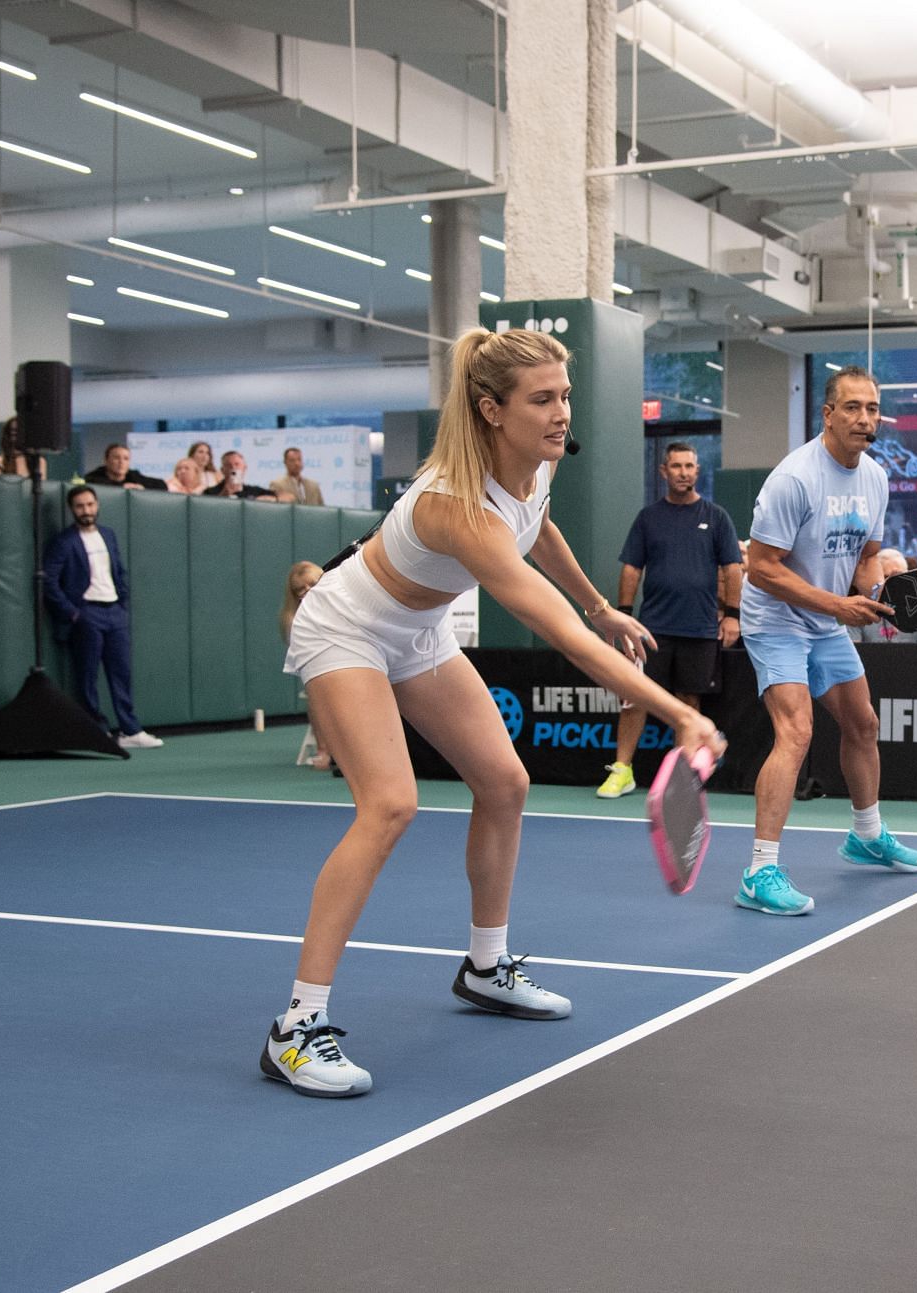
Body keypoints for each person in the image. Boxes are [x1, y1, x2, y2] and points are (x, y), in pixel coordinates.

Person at [268, 327, 725, 1098]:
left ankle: (486, 966)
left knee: (504, 783)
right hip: (346, 625)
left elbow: (539, 529)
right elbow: (561, 637)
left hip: (418, 629)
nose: (560, 414)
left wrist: (600, 604)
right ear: (491, 409)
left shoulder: (532, 469)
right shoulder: (458, 506)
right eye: (542, 399)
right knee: (389, 804)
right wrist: (676, 713)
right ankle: (294, 1028)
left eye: (565, 396)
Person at [734, 363, 917, 920]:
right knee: (796, 731)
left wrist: (880, 597)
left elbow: (865, 560)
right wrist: (839, 605)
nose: (865, 419)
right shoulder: (795, 479)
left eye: (872, 409)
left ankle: (866, 835)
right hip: (775, 620)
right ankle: (759, 869)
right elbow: (761, 569)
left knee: (863, 723)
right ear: (828, 414)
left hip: (823, 619)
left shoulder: (876, 478)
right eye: (852, 408)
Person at [596, 441, 743, 800]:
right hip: (652, 629)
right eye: (676, 466)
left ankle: (682, 778)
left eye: (689, 466)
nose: (683, 472)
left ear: (697, 470)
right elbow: (632, 568)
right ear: (664, 471)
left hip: (699, 628)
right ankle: (623, 770)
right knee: (634, 697)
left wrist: (733, 616)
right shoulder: (649, 518)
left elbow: (733, 568)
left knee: (688, 703)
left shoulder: (717, 517)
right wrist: (624, 617)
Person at [42, 484, 164, 750]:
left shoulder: (108, 535)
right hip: (87, 613)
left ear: (97, 505)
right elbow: (49, 581)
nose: (86, 511)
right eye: (80, 506)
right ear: (72, 510)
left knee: (121, 673)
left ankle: (130, 730)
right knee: (87, 677)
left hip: (114, 613)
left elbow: (118, 570)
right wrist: (73, 614)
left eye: (90, 505)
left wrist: (122, 601)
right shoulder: (64, 542)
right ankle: (96, 732)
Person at [279, 561, 333, 771]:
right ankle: (324, 751)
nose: (306, 591)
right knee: (317, 696)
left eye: (311, 584)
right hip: (319, 673)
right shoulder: (293, 620)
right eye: (300, 589)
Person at [83, 442, 168, 490]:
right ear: (106, 461)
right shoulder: (93, 478)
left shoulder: (133, 475)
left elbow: (161, 485)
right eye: (116, 458)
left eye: (126, 459)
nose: (121, 462)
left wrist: (142, 487)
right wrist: (122, 488)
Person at [204, 449, 272, 499]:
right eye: (228, 465)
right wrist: (223, 495)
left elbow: (276, 498)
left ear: (244, 468)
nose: (233, 468)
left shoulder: (256, 492)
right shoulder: (209, 492)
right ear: (222, 470)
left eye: (237, 464)